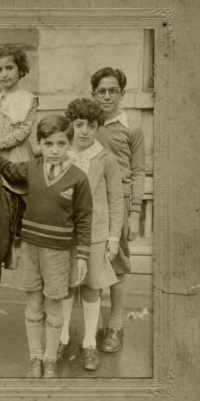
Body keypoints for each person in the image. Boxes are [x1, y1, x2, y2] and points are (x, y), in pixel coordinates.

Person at [0, 114, 93, 378]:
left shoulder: (78, 178)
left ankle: (50, 359)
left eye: (61, 144)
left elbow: (84, 219)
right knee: (33, 306)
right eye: (48, 144)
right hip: (30, 249)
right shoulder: (30, 169)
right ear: (39, 144)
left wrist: (83, 256)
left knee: (53, 308)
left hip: (58, 253)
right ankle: (35, 357)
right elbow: (4, 167)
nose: (55, 150)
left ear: (69, 144)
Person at [57, 98, 123, 371]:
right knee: (65, 287)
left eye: (91, 125)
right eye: (79, 124)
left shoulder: (105, 158)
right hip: (65, 232)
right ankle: (60, 338)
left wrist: (113, 237)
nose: (84, 131)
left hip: (95, 234)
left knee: (92, 287)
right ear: (71, 125)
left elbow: (116, 199)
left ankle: (89, 344)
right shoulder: (61, 153)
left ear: (98, 127)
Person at [91, 67, 145, 353]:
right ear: (93, 94)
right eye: (102, 91)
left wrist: (134, 213)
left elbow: (138, 172)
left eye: (113, 91)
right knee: (92, 263)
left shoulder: (132, 128)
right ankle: (95, 326)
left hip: (119, 204)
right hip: (89, 202)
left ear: (122, 94)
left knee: (117, 263)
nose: (107, 96)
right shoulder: (86, 124)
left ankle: (115, 325)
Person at [0, 45, 38, 194]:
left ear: (21, 70)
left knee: (18, 191)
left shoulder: (28, 99)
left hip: (15, 155)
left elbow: (23, 130)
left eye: (9, 68)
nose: (4, 74)